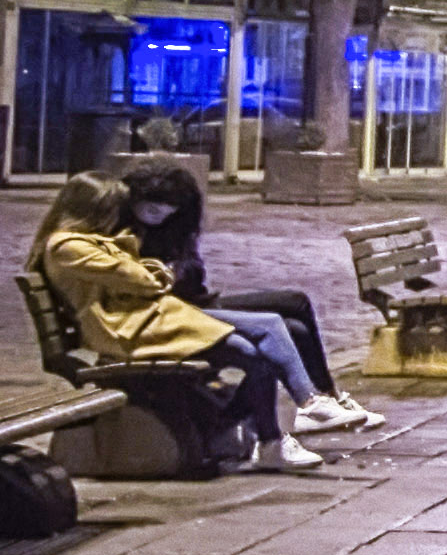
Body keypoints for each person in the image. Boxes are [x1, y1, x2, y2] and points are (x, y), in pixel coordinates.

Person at [28, 174, 317, 471]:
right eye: (110, 210)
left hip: (143, 323)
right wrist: (153, 272)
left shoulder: (89, 243)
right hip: (124, 333)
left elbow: (140, 272)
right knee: (248, 350)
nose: (116, 217)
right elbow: (141, 278)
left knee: (252, 347)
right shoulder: (68, 247)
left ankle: (252, 433)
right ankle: (261, 431)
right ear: (89, 211)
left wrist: (148, 271)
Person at [117, 156, 381, 436]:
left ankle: (325, 399)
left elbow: (194, 274)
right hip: (182, 311)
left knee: (296, 309)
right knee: (289, 325)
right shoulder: (128, 232)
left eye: (163, 210)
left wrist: (179, 269)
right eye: (150, 209)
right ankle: (319, 402)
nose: (155, 215)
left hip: (198, 302)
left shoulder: (176, 229)